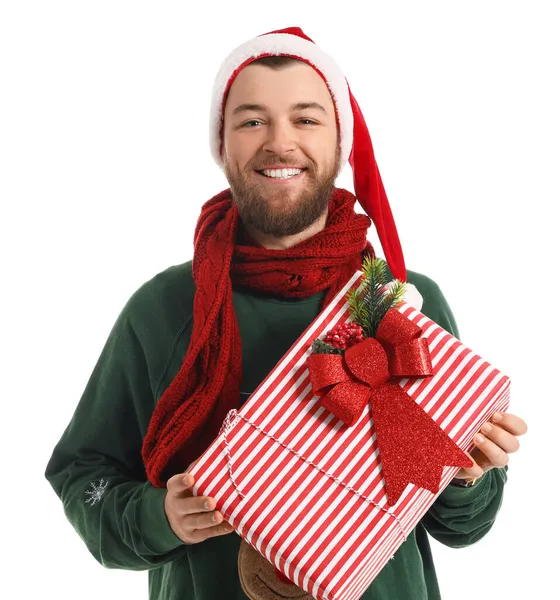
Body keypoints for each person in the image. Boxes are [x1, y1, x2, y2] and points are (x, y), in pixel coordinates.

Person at [45, 26, 527, 600]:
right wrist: (159, 516)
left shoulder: (396, 298)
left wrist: (467, 473)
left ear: (340, 143)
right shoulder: (163, 309)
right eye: (252, 121)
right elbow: (83, 475)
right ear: (222, 144)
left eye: (306, 118)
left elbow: (463, 526)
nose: (279, 142)